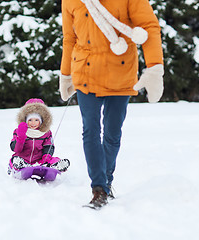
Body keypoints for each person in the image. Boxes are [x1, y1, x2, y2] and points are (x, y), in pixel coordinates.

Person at [59, 0, 164, 208]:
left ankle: (106, 181)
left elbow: (149, 27)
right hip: (85, 72)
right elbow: (69, 38)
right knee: (90, 130)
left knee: (112, 133)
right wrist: (65, 73)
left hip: (120, 72)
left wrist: (154, 67)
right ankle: (98, 189)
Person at [8, 98, 70, 178]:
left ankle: (55, 165)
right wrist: (21, 137)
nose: (33, 123)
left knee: (53, 159)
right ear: (25, 120)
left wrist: (45, 159)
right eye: (30, 120)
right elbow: (16, 149)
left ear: (41, 121)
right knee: (15, 159)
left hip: (40, 160)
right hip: (23, 158)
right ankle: (21, 165)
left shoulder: (46, 133)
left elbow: (48, 146)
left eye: (36, 120)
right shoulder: (19, 131)